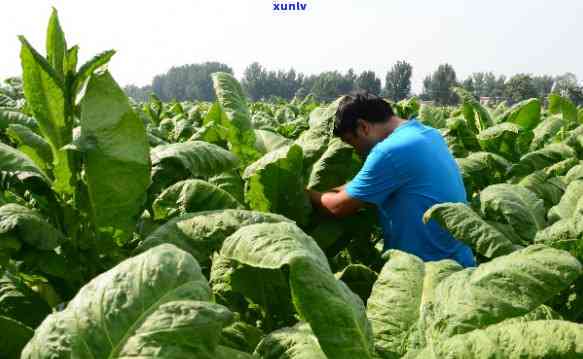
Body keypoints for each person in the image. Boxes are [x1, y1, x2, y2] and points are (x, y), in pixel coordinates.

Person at [307, 92, 475, 267]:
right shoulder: (427, 134)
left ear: (363, 127)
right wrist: (334, 191)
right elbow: (361, 185)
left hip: (427, 271)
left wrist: (304, 193)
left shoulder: (388, 151)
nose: (354, 149)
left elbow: (337, 207)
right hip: (458, 262)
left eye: (350, 141)